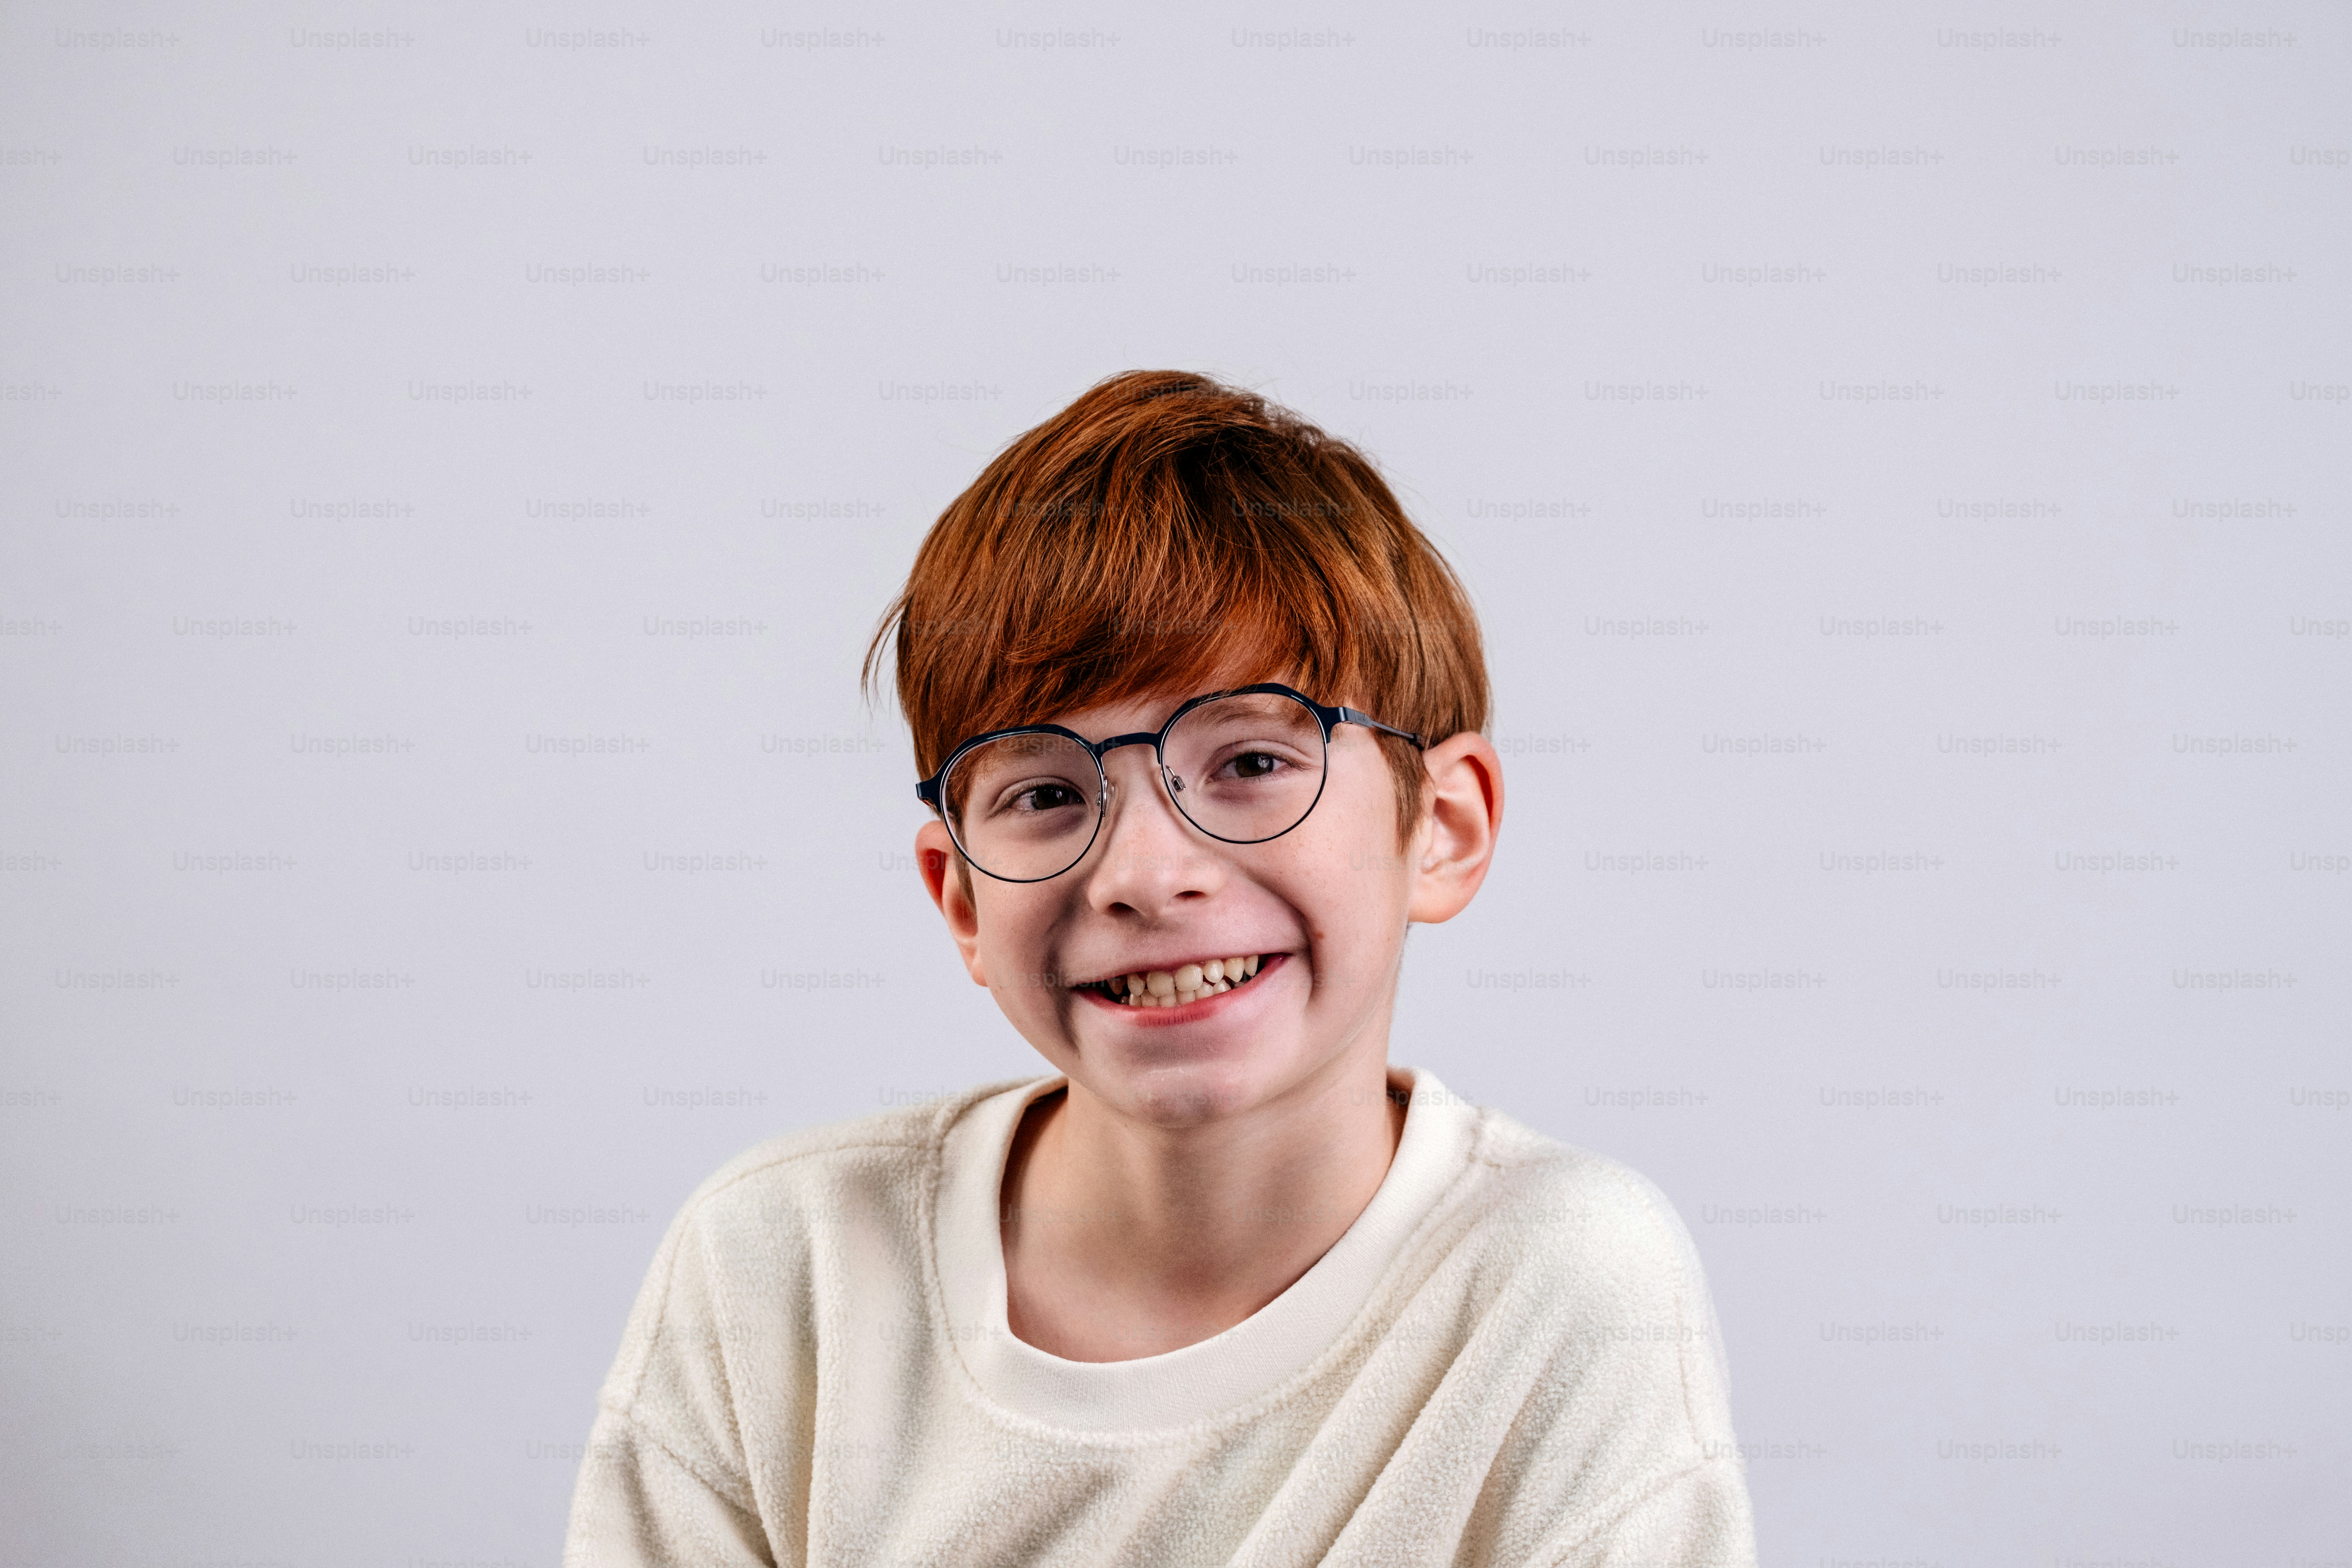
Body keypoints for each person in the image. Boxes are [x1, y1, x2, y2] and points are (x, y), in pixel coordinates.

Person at [563, 371, 1758, 1566]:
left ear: (1441, 828)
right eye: (1044, 792)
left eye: (1252, 762)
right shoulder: (782, 1265)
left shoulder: (1561, 1279)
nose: (1144, 873)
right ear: (961, 897)